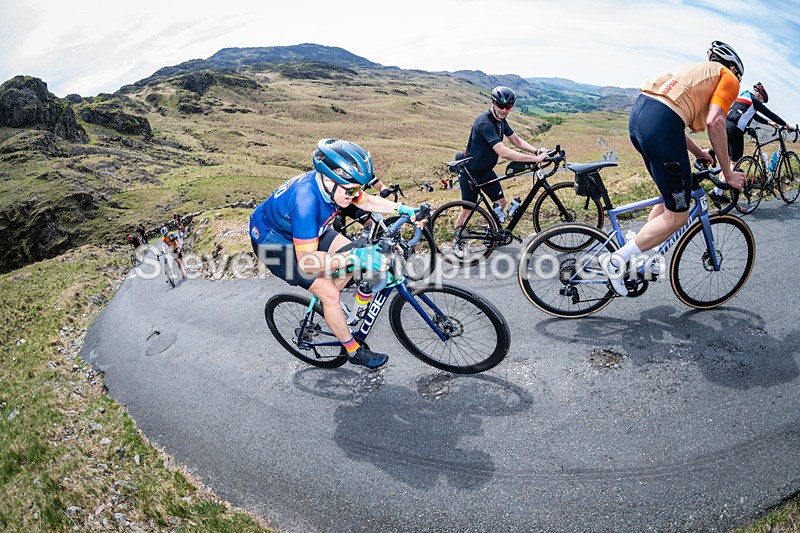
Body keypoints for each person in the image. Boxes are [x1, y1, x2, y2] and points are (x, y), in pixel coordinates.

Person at [249, 138, 426, 369]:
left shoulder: (336, 186)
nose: (355, 195)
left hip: (309, 233)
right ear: (330, 180)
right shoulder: (306, 202)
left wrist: (403, 209)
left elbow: (367, 201)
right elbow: (308, 261)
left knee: (355, 253)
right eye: (351, 189)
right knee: (331, 292)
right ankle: (353, 351)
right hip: (273, 246)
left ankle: (338, 311)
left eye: (358, 188)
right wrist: (354, 259)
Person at [609, 40, 746, 296]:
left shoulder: (693, 74)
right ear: (731, 67)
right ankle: (617, 261)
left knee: (667, 198)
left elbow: (671, 119)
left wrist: (699, 152)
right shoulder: (728, 76)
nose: (735, 83)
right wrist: (728, 173)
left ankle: (642, 254)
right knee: (678, 215)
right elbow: (715, 121)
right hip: (661, 124)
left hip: (641, 115)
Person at [453, 86, 549, 253]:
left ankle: (491, 235)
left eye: (508, 107)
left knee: (501, 203)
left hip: (486, 171)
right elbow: (503, 152)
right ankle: (458, 239)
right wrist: (535, 159)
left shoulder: (501, 121)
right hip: (470, 171)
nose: (504, 110)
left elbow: (516, 140)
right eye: (501, 106)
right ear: (493, 103)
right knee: (467, 210)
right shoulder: (484, 122)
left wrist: (535, 151)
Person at [709, 82, 797, 204]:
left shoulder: (743, 95)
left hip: (725, 125)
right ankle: (716, 190)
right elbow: (769, 113)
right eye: (761, 98)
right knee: (734, 163)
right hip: (735, 130)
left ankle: (720, 193)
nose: (760, 100)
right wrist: (786, 125)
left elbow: (754, 116)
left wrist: (769, 123)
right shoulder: (754, 101)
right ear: (759, 94)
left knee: (729, 162)